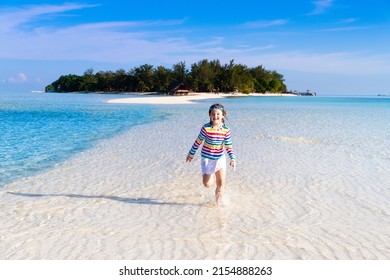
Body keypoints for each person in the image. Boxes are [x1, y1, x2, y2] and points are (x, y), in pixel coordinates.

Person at [186, 103, 236, 205]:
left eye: (218, 114)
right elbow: (198, 141)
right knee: (207, 184)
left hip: (220, 158)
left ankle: (217, 203)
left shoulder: (226, 130)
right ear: (210, 115)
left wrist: (232, 158)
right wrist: (191, 153)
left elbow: (228, 145)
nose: (215, 116)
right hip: (207, 158)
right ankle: (211, 175)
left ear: (223, 115)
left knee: (221, 183)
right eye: (213, 114)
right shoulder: (206, 128)